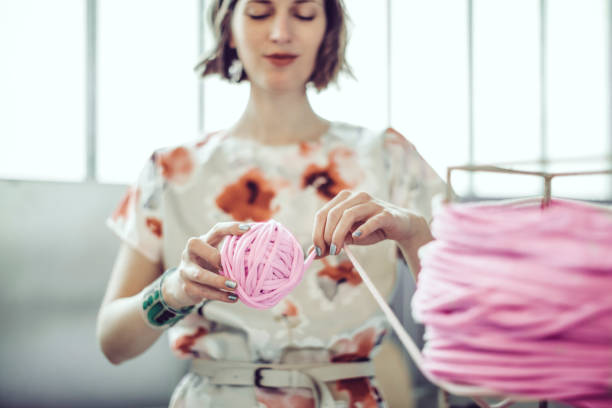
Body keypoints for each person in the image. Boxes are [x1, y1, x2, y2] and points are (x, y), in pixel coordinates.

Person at [96, 0, 446, 406]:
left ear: (327, 30)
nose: (281, 32)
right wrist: (173, 290)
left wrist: (416, 233)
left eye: (304, 14)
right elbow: (112, 343)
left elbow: (477, 315)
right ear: (229, 26)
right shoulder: (172, 171)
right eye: (260, 12)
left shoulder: (389, 159)